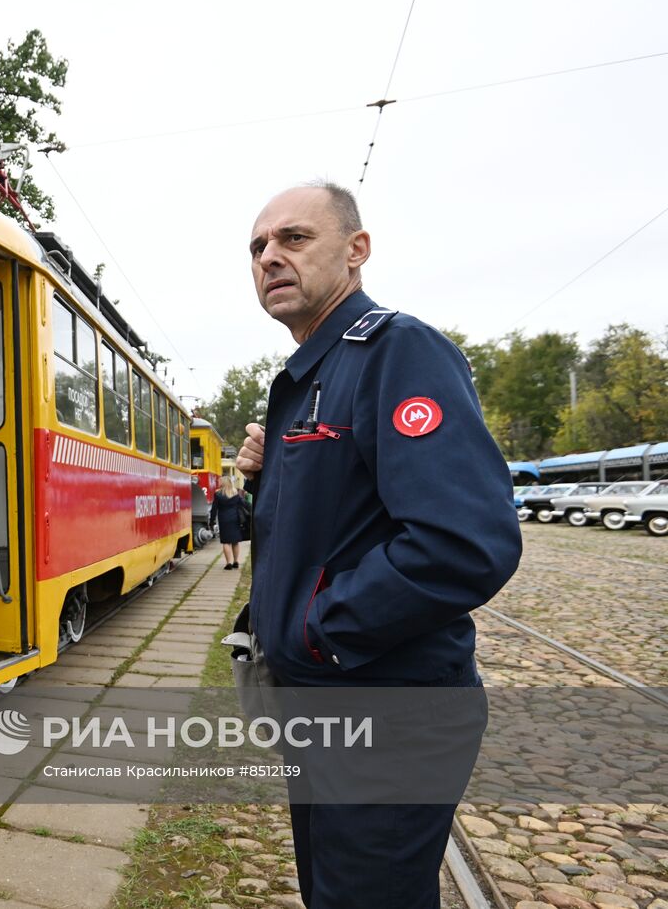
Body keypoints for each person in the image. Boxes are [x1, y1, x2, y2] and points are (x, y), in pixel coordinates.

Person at [234, 181, 522, 909]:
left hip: (388, 714)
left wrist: (317, 633)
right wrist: (265, 484)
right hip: (327, 706)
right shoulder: (309, 376)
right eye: (258, 247)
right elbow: (329, 529)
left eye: (293, 239)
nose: (270, 257)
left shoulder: (397, 350)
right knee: (333, 893)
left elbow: (463, 543)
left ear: (356, 251)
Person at [208, 476, 250, 569]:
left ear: (223, 483)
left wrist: (212, 521)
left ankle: (228, 563)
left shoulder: (218, 494)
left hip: (224, 520)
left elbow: (214, 509)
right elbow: (244, 504)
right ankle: (236, 561)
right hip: (235, 519)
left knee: (226, 542)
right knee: (235, 541)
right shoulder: (235, 493)